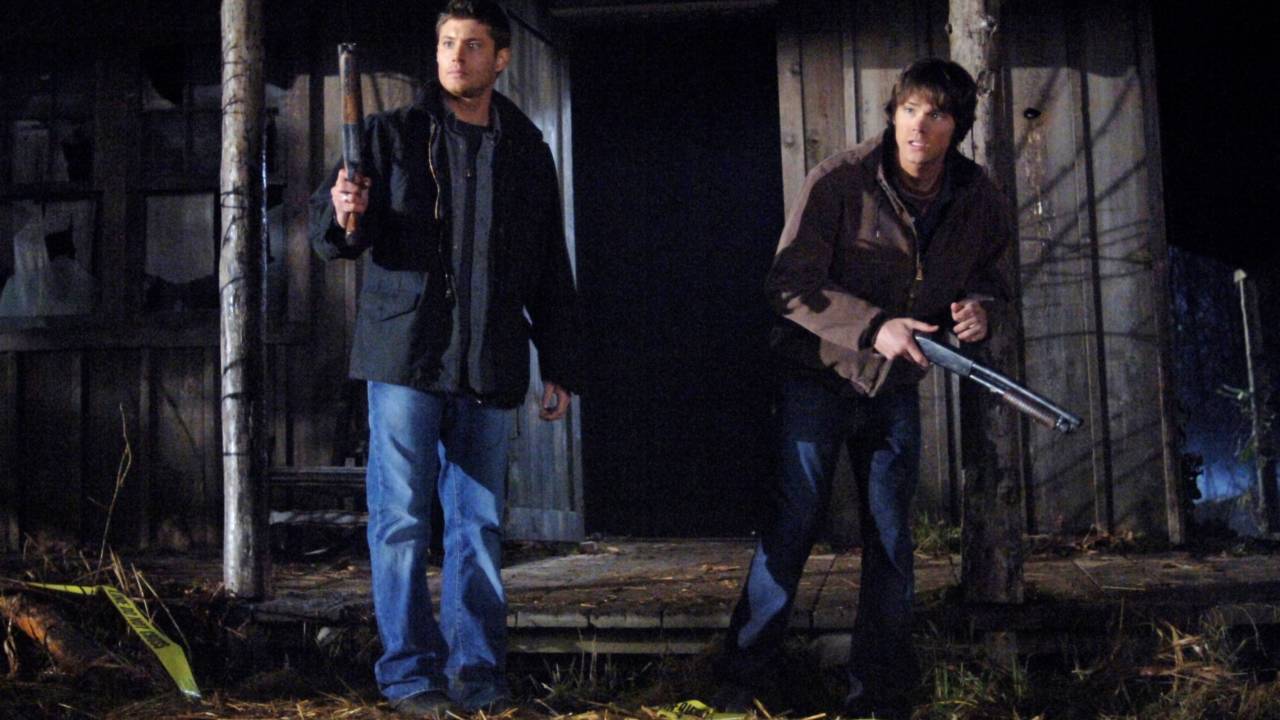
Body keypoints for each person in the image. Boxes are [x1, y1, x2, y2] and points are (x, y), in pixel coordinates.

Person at [712, 58, 1012, 719]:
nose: (918, 126)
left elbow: (994, 277)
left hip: (893, 386)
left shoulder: (977, 198)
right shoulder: (841, 181)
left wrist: (981, 309)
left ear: (957, 127)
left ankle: (878, 695)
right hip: (816, 375)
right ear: (893, 115)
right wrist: (874, 326)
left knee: (891, 538)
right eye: (909, 109)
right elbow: (787, 285)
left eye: (936, 114)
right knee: (793, 524)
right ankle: (742, 681)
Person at [308, 1, 579, 716]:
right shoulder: (389, 134)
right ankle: (410, 677)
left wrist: (560, 361)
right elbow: (333, 230)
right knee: (400, 521)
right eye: (447, 43)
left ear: (501, 58)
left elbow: (549, 264)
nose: (457, 56)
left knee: (478, 525)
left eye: (473, 44)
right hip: (405, 356)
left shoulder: (526, 149)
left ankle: (477, 679)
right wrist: (341, 213)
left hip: (489, 358)